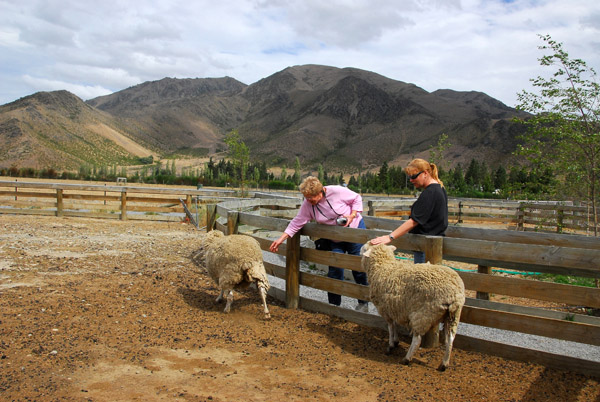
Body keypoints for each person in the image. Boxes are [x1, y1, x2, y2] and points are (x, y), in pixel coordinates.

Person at [269, 176, 369, 311]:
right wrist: (281, 238)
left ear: (320, 193)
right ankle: (334, 306)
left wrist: (352, 215)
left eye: (310, 197)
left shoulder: (336, 191)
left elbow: (356, 198)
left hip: (354, 232)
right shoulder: (308, 204)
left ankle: (363, 303)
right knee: (335, 269)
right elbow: (297, 221)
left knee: (358, 267)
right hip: (334, 238)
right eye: (306, 197)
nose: (308, 201)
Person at [370, 158, 448, 263]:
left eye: (413, 176)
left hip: (425, 246)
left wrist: (390, 237)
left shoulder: (430, 193)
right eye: (409, 177)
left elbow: (414, 220)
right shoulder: (439, 189)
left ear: (425, 173)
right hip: (432, 246)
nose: (411, 180)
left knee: (422, 277)